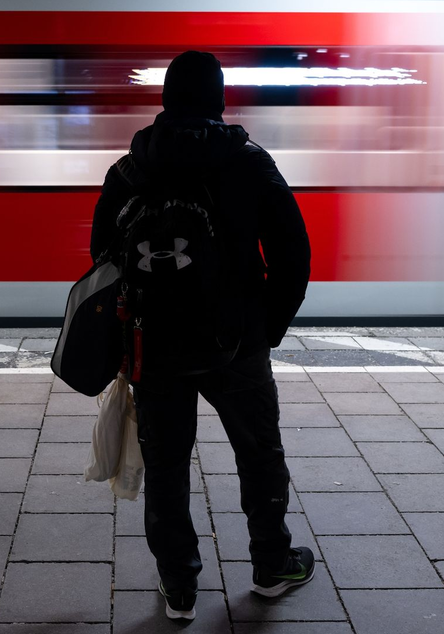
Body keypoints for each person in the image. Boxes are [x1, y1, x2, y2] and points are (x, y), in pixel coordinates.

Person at [89, 51, 313, 621]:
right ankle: (270, 565)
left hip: (155, 343)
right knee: (259, 452)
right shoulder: (249, 162)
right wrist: (268, 327)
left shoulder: (130, 168)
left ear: (165, 99)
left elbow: (102, 256)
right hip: (237, 340)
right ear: (218, 98)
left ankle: (179, 586)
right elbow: (294, 252)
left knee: (166, 464)